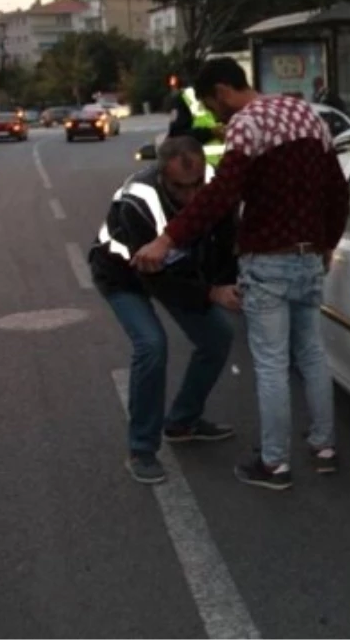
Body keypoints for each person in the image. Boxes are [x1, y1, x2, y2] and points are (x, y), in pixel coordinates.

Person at [130, 57, 350, 491]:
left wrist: (166, 239)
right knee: (311, 353)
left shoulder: (247, 125)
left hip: (268, 259)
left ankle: (274, 464)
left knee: (270, 365)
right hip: (309, 258)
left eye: (213, 105)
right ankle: (324, 446)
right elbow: (337, 190)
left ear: (223, 90)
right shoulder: (306, 114)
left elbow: (220, 197)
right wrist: (328, 242)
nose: (215, 115)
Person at [89, 135, 241, 485]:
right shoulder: (138, 201)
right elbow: (157, 280)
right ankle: (141, 449)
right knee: (152, 345)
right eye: (178, 188)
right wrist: (210, 293)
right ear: (161, 175)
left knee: (218, 338)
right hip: (125, 276)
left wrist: (228, 283)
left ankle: (182, 421)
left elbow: (223, 243)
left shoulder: (214, 185)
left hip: (179, 272)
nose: (190, 197)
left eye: (196, 185)